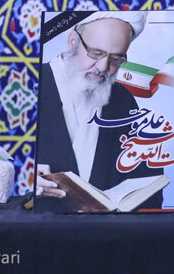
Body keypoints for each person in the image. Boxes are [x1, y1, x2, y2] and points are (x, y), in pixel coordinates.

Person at [35, 12, 163, 209]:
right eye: (96, 53)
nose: (104, 67)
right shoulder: (28, 85)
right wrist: (24, 178)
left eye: (116, 58)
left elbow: (147, 181)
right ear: (72, 42)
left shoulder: (122, 99)